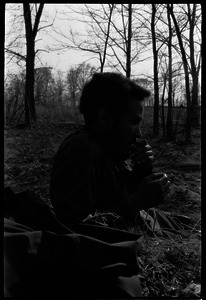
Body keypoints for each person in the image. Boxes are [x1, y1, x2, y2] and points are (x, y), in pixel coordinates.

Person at [50, 72, 171, 226]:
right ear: (105, 118)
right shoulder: (81, 153)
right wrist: (136, 203)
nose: (139, 133)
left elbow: (114, 198)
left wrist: (142, 172)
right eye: (134, 122)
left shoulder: (106, 149)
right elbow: (76, 229)